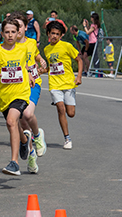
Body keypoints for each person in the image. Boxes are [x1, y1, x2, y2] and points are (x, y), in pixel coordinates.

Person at [0, 18, 35, 176]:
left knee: (11, 121)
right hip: (4, 97)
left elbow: (25, 64)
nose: (10, 35)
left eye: (13, 32)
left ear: (18, 33)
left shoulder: (23, 49)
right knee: (13, 124)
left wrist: (29, 75)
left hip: (21, 93)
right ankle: (24, 141)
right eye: (7, 32)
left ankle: (14, 163)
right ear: (2, 33)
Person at [11, 12, 47, 172]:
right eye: (14, 27)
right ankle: (31, 153)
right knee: (21, 122)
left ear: (26, 27)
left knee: (27, 114)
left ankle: (38, 135)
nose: (17, 30)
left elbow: (36, 56)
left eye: (20, 27)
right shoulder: (10, 46)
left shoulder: (31, 42)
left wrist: (41, 61)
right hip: (16, 86)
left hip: (33, 84)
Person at [39, 21, 83, 150]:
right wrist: (44, 70)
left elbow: (79, 60)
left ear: (61, 35)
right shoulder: (47, 49)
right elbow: (51, 67)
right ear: (48, 34)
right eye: (52, 33)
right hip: (54, 84)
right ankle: (67, 138)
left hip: (68, 83)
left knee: (71, 113)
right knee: (60, 108)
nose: (54, 36)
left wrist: (79, 76)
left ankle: (68, 104)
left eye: (57, 34)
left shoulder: (66, 46)